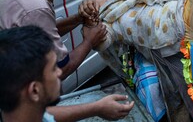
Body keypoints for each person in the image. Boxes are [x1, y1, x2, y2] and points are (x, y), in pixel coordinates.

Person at [0, 0, 134, 121]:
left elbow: (40, 33)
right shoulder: (33, 6)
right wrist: (90, 40)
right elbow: (61, 69)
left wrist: (78, 19)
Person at [0, 26, 134, 122]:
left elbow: (45, 114)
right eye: (53, 68)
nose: (59, 72)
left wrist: (97, 108)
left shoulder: (21, 112)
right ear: (35, 91)